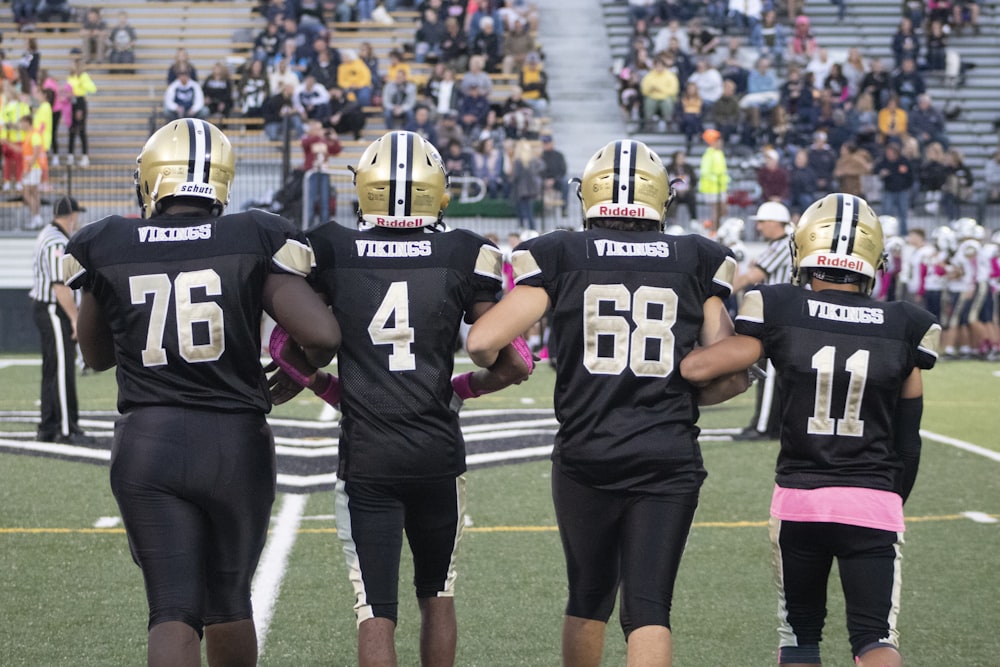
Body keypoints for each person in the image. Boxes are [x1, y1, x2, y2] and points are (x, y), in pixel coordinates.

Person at [62, 118, 341, 667]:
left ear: (151, 179)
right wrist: (297, 366)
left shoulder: (106, 241)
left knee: (172, 609)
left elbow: (94, 355)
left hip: (149, 441)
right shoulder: (253, 234)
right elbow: (323, 335)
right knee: (230, 601)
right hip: (235, 443)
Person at [465, 138, 747, 667]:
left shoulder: (560, 253)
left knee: (589, 595)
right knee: (648, 607)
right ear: (661, 198)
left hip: (586, 450)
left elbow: (481, 343)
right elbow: (727, 372)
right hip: (667, 453)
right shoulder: (696, 258)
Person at [267, 130, 532, 666]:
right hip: (437, 449)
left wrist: (324, 386)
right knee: (438, 596)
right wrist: (463, 387)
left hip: (368, 455)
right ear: (439, 190)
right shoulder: (465, 251)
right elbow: (516, 361)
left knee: (375, 609)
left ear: (364, 187)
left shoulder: (330, 247)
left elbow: (291, 345)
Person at [680, 193, 940, 667]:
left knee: (799, 637)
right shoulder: (906, 324)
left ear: (804, 250)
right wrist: (887, 499)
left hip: (801, 499)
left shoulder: (780, 306)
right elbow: (909, 440)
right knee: (875, 637)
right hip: (874, 501)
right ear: (873, 258)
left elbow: (700, 368)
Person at [29, 195, 90, 445]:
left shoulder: (48, 233)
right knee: (62, 370)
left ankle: (49, 426)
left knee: (52, 369)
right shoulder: (57, 242)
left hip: (48, 308)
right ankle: (66, 428)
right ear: (72, 216)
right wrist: (76, 320)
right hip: (55, 309)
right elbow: (60, 287)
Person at [732, 200, 793, 441]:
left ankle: (764, 427)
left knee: (769, 377)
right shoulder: (784, 244)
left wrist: (718, 290)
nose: (759, 228)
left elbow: (752, 277)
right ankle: (770, 425)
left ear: (774, 222)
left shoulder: (782, 245)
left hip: (778, 316)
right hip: (786, 315)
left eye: (762, 223)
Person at [301, 118, 341, 227]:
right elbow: (305, 144)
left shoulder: (323, 140)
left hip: (324, 172)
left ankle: (325, 225)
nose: (320, 130)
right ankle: (307, 225)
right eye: (317, 128)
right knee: (311, 200)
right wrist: (318, 136)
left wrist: (335, 138)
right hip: (312, 172)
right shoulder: (308, 138)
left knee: (325, 200)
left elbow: (336, 150)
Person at [66, 51, 97, 167]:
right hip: (71, 103)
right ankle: (70, 156)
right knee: (72, 130)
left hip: (79, 102)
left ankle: (84, 156)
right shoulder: (70, 76)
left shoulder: (83, 76)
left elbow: (92, 88)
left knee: (81, 130)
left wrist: (80, 86)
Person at [698, 128, 728, 233]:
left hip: (721, 186)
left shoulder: (719, 153)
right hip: (711, 187)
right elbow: (705, 172)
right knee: (716, 210)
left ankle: (712, 226)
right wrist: (716, 179)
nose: (721, 143)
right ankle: (714, 230)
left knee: (723, 210)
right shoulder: (708, 155)